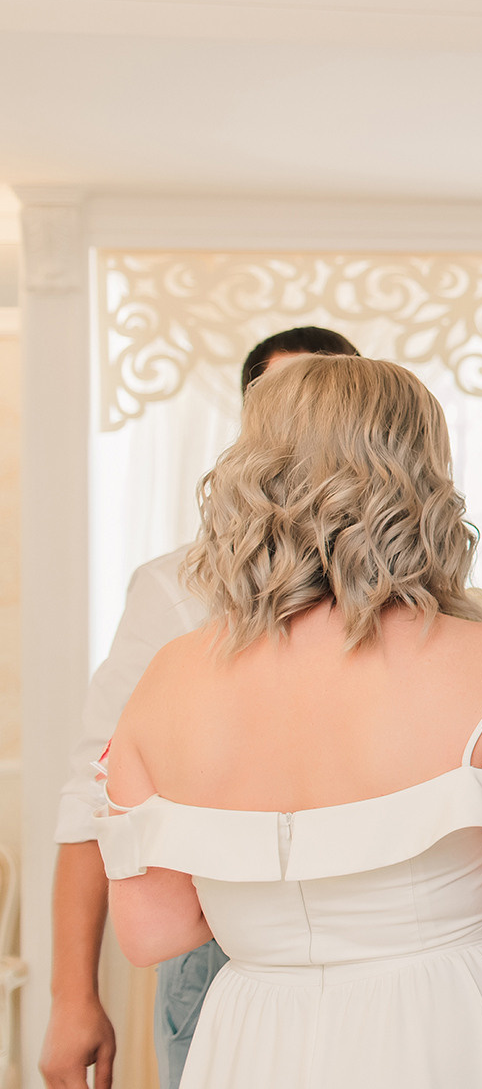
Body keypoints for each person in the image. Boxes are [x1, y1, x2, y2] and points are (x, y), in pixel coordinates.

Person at [95, 356, 482, 1089]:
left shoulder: (168, 677)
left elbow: (154, 931)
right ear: (420, 481)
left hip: (254, 1031)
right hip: (447, 1027)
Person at [43, 325, 359, 1089]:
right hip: (217, 955)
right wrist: (71, 996)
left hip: (373, 951)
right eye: (285, 407)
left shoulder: (408, 594)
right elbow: (96, 789)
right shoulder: (175, 589)